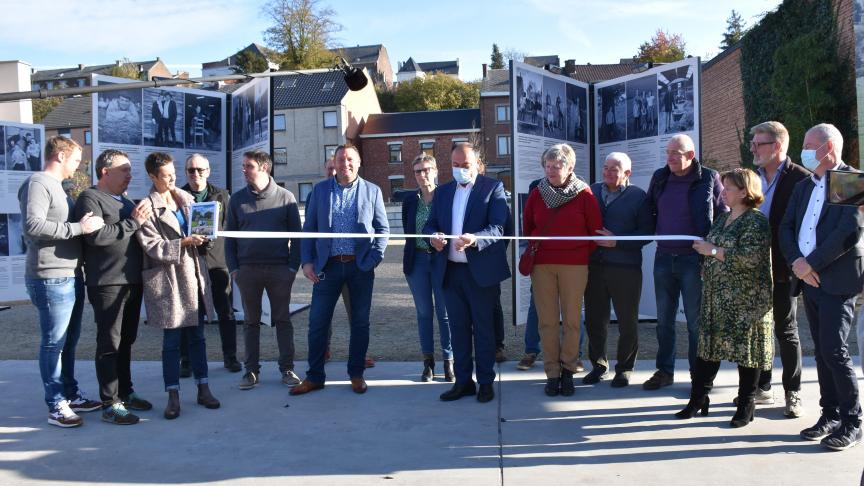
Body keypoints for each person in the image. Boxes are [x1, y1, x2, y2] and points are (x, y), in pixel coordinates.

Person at [779, 123, 864, 451]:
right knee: (822, 349)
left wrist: (809, 263)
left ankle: (852, 421)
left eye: (808, 145)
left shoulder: (849, 180)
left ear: (828, 149)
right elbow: (786, 227)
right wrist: (798, 263)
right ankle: (829, 414)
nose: (803, 151)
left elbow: (847, 232)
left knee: (834, 350)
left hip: (836, 279)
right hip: (808, 279)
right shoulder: (804, 185)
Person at [676, 168, 773, 428]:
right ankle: (698, 400)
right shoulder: (723, 219)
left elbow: (750, 258)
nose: (724, 193)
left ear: (744, 191)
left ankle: (746, 405)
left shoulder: (756, 221)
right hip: (717, 297)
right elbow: (712, 248)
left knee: (747, 354)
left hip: (746, 300)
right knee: (707, 350)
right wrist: (706, 255)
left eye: (728, 188)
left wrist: (713, 250)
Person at [19, 136, 104, 427]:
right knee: (54, 343)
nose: (78, 167)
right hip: (51, 277)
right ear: (60, 156)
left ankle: (70, 393)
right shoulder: (38, 183)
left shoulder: (56, 186)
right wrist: (79, 227)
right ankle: (56, 404)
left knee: (68, 341)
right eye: (76, 160)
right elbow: (32, 226)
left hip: (69, 275)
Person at [293, 143, 389, 396]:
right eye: (340, 159)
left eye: (350, 160)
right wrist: (307, 262)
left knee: (360, 323)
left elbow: (383, 230)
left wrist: (374, 258)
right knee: (317, 323)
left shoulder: (372, 191)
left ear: (358, 163)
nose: (345, 164)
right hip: (328, 268)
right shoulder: (320, 191)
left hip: (360, 268)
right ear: (333, 163)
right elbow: (309, 230)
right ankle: (314, 377)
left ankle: (356, 374)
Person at [136, 152, 220, 420]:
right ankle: (172, 395)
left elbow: (202, 235)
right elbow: (151, 247)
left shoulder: (187, 200)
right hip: (170, 281)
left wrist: (205, 238)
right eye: (166, 175)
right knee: (172, 342)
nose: (173, 179)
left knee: (198, 337)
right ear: (152, 177)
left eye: (174, 173)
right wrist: (183, 243)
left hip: (193, 276)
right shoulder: (147, 207)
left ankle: (203, 388)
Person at [425, 142, 510, 403]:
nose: (460, 169)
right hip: (450, 272)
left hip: (480, 273)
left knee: (483, 330)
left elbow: (499, 228)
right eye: (455, 165)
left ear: (477, 164)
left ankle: (485, 382)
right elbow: (430, 225)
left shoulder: (492, 188)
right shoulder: (442, 192)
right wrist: (433, 238)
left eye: (465, 165)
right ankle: (463, 382)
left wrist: (475, 239)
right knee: (458, 330)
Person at [73, 149, 152, 425]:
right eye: (125, 170)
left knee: (126, 341)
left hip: (131, 281)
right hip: (107, 283)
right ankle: (110, 403)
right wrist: (133, 222)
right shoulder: (90, 199)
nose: (130, 175)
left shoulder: (127, 201)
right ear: (105, 172)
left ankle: (125, 392)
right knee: (109, 343)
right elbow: (96, 237)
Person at [643, 133, 727, 390]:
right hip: (663, 257)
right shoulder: (660, 177)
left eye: (675, 154)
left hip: (694, 260)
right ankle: (664, 371)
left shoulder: (709, 178)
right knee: (664, 320)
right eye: (667, 153)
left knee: (695, 323)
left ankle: (698, 376)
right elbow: (649, 210)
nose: (669, 158)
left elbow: (723, 214)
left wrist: (714, 249)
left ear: (690, 155)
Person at [522, 144, 601, 397]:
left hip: (575, 265)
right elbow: (528, 226)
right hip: (543, 265)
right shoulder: (537, 193)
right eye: (547, 166)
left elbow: (595, 229)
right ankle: (552, 373)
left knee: (571, 320)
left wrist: (575, 252)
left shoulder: (585, 193)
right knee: (546, 322)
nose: (551, 170)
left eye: (557, 166)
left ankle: (568, 371)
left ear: (570, 167)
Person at [225, 151, 302, 390]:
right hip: (247, 271)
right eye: (244, 166)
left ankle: (287, 369)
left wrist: (291, 267)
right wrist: (235, 269)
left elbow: (297, 237)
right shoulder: (236, 200)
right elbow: (229, 240)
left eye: (248, 166)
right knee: (251, 322)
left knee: (282, 320)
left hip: (280, 270)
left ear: (264, 168)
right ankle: (251, 372)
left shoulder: (286, 197)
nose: (244, 170)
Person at [749, 121, 811, 416]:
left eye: (758, 143)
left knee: (785, 331)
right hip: (752, 269)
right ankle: (762, 387)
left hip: (784, 269)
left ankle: (793, 392)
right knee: (756, 331)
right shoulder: (752, 178)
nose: (752, 148)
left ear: (776, 146)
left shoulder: (802, 179)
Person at [584, 152, 653, 387]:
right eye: (605, 167)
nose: (608, 172)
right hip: (594, 268)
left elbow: (648, 233)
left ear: (627, 173)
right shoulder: (591, 191)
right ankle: (598, 365)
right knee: (595, 320)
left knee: (627, 321)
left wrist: (618, 240)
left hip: (625, 269)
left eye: (614, 169)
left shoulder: (639, 197)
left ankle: (624, 368)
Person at [180, 154, 241, 373]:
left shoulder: (222, 195)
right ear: (186, 172)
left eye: (200, 170)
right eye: (191, 170)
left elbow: (229, 225)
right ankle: (187, 360)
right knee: (190, 313)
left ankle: (230, 357)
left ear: (208, 171)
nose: (195, 174)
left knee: (225, 311)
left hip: (217, 261)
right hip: (189, 261)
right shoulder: (178, 195)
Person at [402, 154, 453, 382]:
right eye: (417, 171)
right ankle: (428, 363)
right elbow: (409, 234)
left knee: (445, 314)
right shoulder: (409, 201)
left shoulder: (447, 196)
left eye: (426, 170)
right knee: (424, 313)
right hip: (418, 262)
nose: (422, 175)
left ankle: (449, 362)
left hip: (442, 261)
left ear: (435, 170)